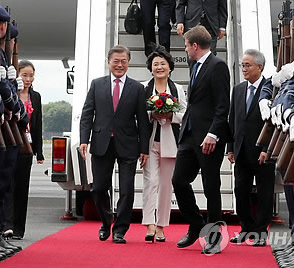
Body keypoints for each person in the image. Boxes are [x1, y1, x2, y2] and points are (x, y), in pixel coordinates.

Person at [79, 45, 150, 244]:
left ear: (128, 62)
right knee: (99, 188)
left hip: (128, 144)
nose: (120, 65)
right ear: (108, 62)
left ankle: (120, 230)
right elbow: (87, 114)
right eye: (116, 61)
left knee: (127, 189)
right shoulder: (97, 84)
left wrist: (144, 148)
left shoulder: (137, 88)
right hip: (101, 143)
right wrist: (84, 139)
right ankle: (106, 220)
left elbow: (143, 121)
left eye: (124, 61)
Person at [171, 25, 231, 254]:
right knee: (179, 181)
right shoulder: (195, 66)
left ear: (195, 45)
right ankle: (196, 224)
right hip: (189, 135)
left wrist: (213, 133)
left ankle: (214, 235)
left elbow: (222, 105)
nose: (185, 49)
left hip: (209, 138)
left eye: (186, 45)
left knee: (211, 187)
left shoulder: (218, 66)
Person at [227, 49, 275, 247]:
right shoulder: (238, 89)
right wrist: (230, 147)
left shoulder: (271, 88)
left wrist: (267, 148)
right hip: (241, 150)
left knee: (264, 192)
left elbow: (273, 122)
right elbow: (233, 120)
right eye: (242, 65)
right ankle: (245, 227)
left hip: (263, 151)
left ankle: (261, 231)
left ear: (260, 67)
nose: (244, 69)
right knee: (240, 190)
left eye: (247, 65)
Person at [142, 46, 186, 242]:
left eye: (163, 64)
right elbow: (137, 116)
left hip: (170, 142)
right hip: (150, 142)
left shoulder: (178, 89)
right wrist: (151, 114)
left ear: (170, 67)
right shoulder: (143, 88)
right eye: (155, 64)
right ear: (150, 68)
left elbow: (185, 115)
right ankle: (149, 224)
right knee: (150, 182)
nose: (159, 67)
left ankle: (161, 226)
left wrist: (171, 115)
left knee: (166, 184)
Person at [6, 60, 44, 240]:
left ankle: (19, 228)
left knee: (22, 187)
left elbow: (38, 124)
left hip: (27, 146)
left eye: (31, 75)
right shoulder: (10, 93)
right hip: (10, 142)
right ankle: (7, 224)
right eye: (24, 75)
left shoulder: (35, 97)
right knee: (8, 185)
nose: (28, 79)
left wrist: (39, 151)